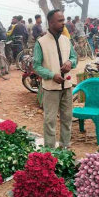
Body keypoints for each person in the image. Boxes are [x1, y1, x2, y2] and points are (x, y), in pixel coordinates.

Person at [33, 9, 77, 149]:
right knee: (49, 121)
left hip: (67, 86)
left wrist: (70, 63)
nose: (63, 23)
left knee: (67, 119)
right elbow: (36, 66)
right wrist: (52, 75)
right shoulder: (41, 43)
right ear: (51, 22)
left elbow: (74, 58)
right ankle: (50, 151)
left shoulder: (66, 40)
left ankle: (65, 147)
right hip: (51, 88)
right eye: (60, 21)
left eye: (63, 20)